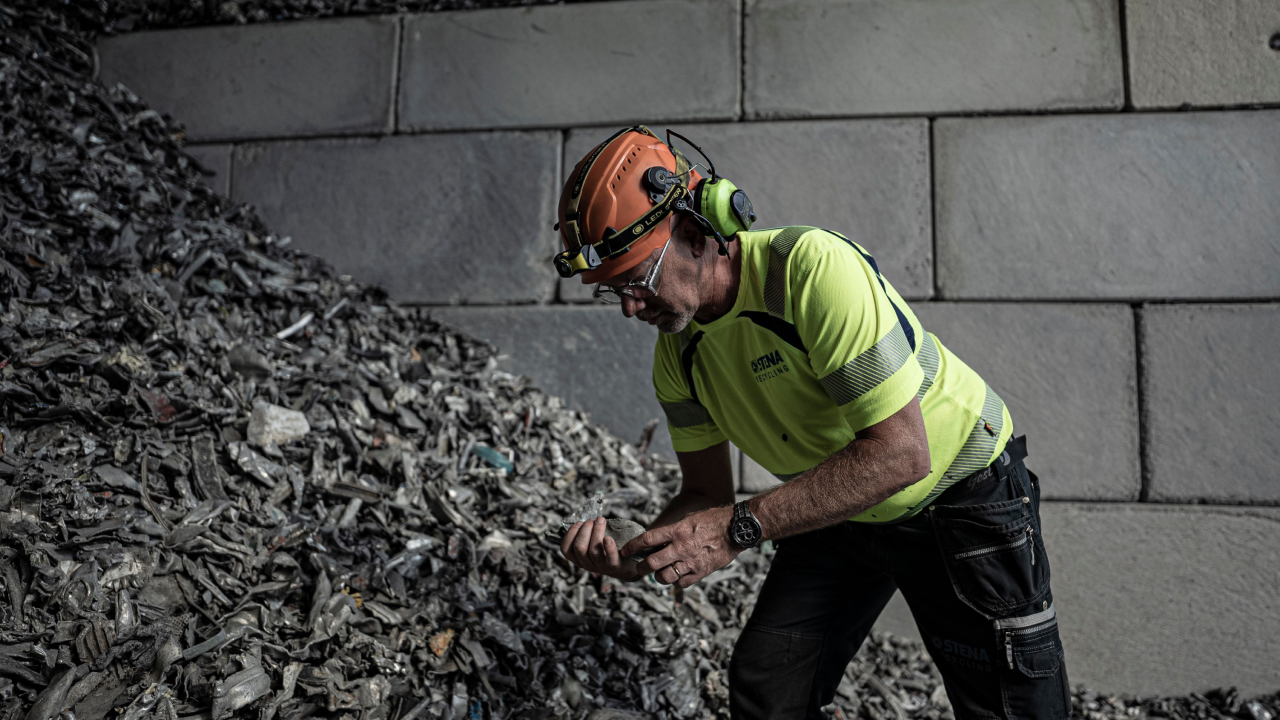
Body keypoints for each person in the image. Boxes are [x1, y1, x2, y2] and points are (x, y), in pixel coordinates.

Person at [553, 126, 1071, 720]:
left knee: (1011, 707)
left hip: (960, 497)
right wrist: (634, 554)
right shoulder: (679, 354)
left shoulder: (810, 272)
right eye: (613, 290)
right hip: (842, 504)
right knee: (770, 687)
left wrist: (735, 530)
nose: (628, 307)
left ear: (697, 232)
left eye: (638, 279)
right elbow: (705, 494)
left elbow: (902, 456)